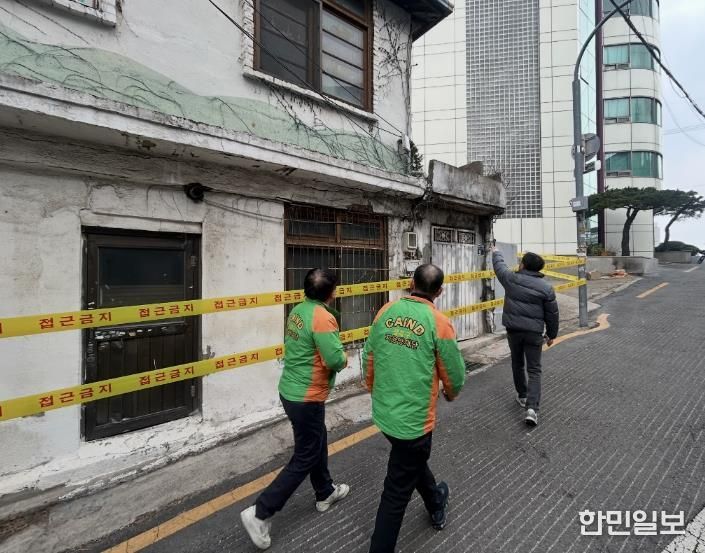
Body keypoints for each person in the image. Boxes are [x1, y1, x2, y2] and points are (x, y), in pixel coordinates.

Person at [240, 268, 350, 550]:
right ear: (331, 293)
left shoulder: (298, 311)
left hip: (292, 391)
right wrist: (344, 356)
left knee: (317, 439)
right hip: (306, 397)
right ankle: (260, 512)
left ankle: (324, 491)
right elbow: (334, 359)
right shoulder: (323, 317)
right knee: (306, 455)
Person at [363, 264, 466, 553]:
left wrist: (372, 387)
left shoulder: (386, 311)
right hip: (413, 423)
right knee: (396, 493)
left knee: (411, 462)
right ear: (439, 291)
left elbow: (369, 355)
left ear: (411, 283)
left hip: (385, 414)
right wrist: (451, 393)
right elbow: (454, 373)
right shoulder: (439, 322)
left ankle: (435, 501)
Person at [492, 247, 559, 427]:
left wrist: (496, 252)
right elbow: (552, 314)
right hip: (534, 333)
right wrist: (551, 335)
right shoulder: (546, 288)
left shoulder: (511, 279)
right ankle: (532, 409)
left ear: (523, 265)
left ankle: (522, 396)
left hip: (514, 331)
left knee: (517, 363)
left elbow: (499, 266)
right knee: (534, 370)